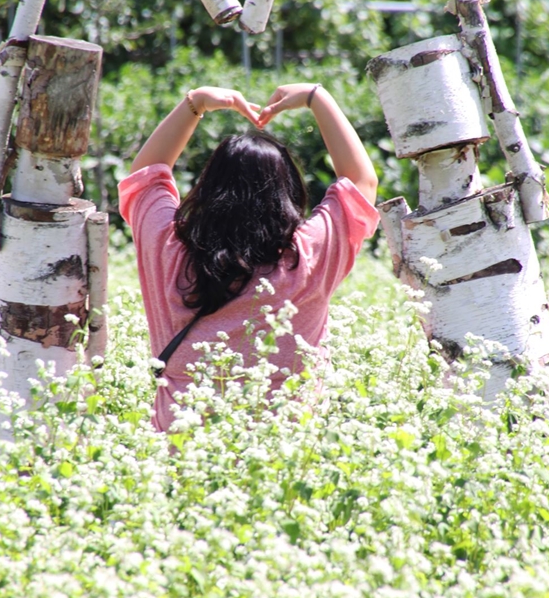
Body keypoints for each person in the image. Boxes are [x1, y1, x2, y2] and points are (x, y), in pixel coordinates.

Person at [118, 82, 380, 431]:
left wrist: (195, 103)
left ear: (208, 187)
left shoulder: (169, 249)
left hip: (183, 449)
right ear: (288, 192)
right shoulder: (307, 256)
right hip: (283, 454)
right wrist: (318, 98)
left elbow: (145, 174)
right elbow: (361, 181)